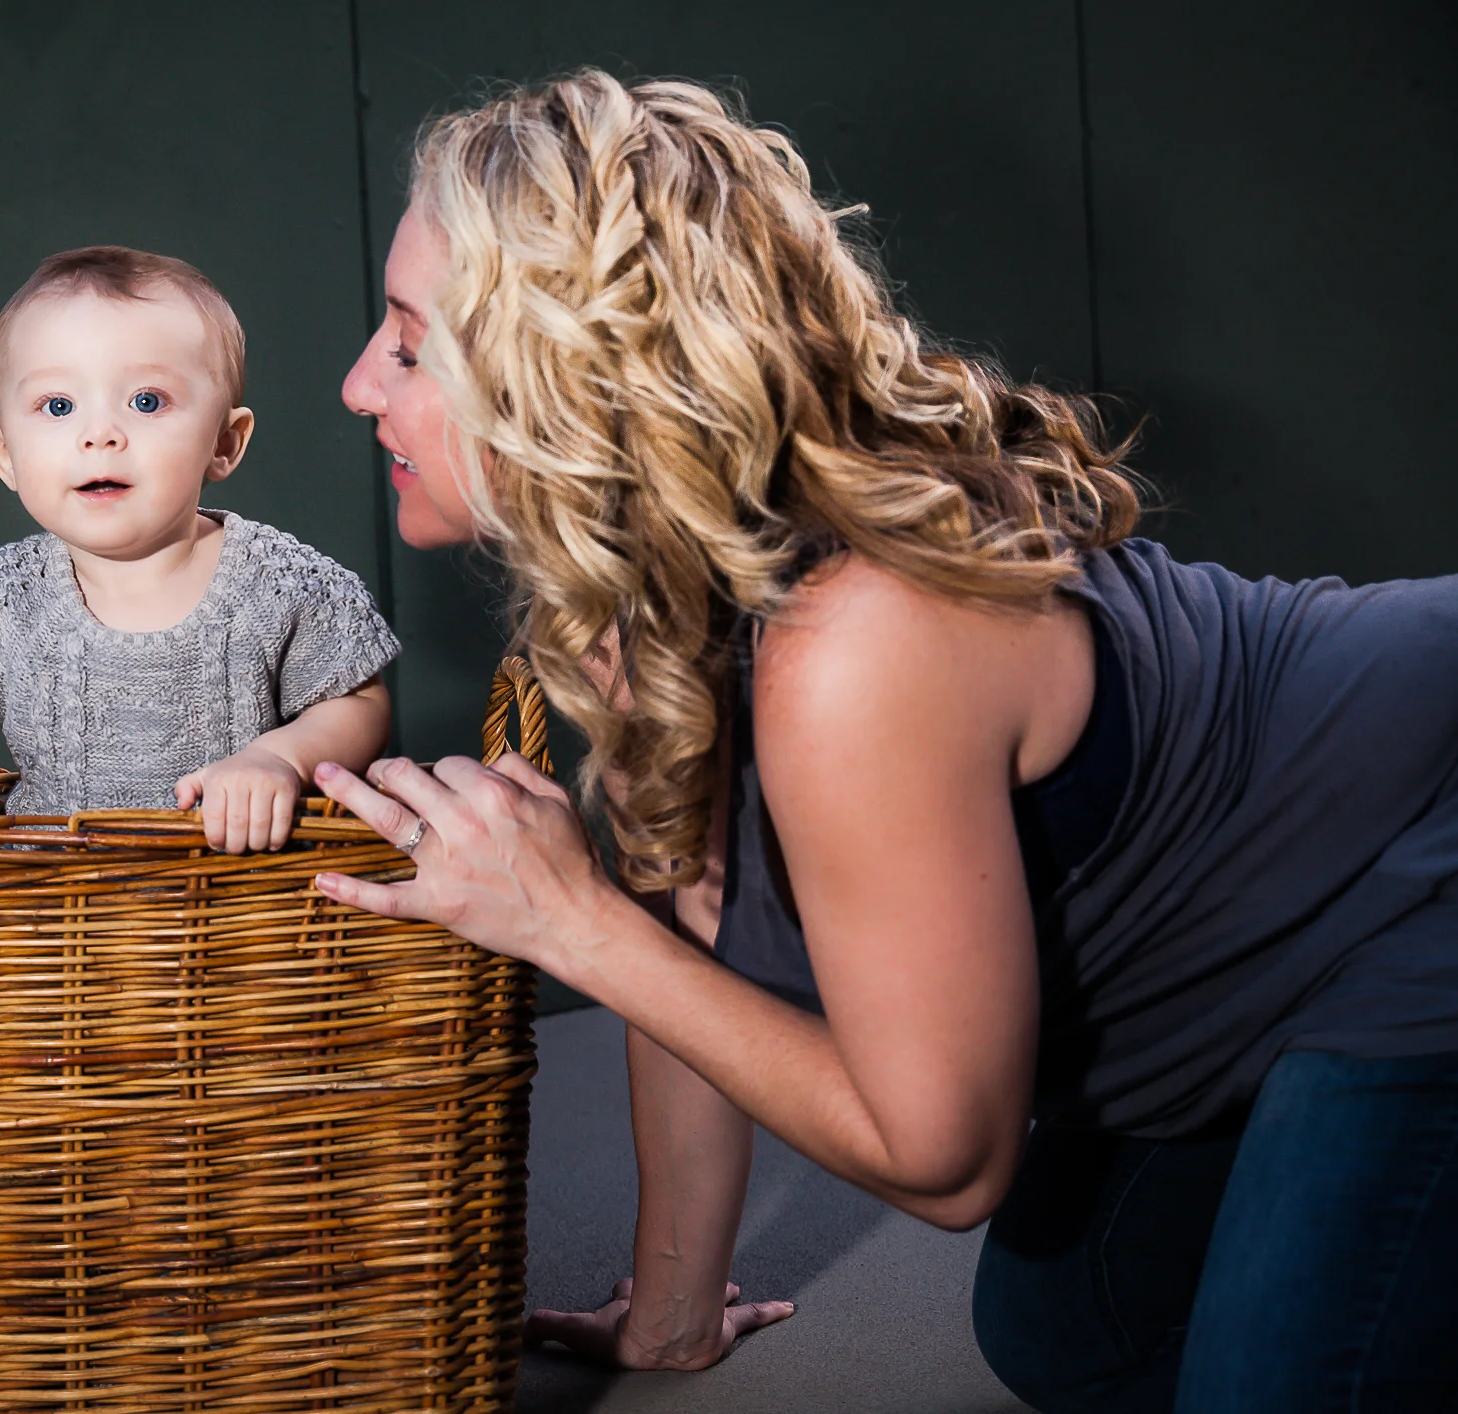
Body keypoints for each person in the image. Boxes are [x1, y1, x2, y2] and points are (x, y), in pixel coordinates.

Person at [314, 71, 1458, 1411]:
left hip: (1416, 869)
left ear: (560, 376)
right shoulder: (626, 601)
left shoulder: (856, 645)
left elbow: (943, 1157)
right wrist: (672, 1316)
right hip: (1247, 938)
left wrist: (568, 920)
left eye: (405, 343)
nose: (352, 385)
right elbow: (687, 936)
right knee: (1063, 1336)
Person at [0, 246, 398, 880]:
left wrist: (283, 759)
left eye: (146, 401)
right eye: (58, 407)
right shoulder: (10, 596)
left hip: (237, 918)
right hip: (53, 919)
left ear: (224, 443)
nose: (100, 434)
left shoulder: (277, 582)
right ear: (4, 455)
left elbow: (358, 703)